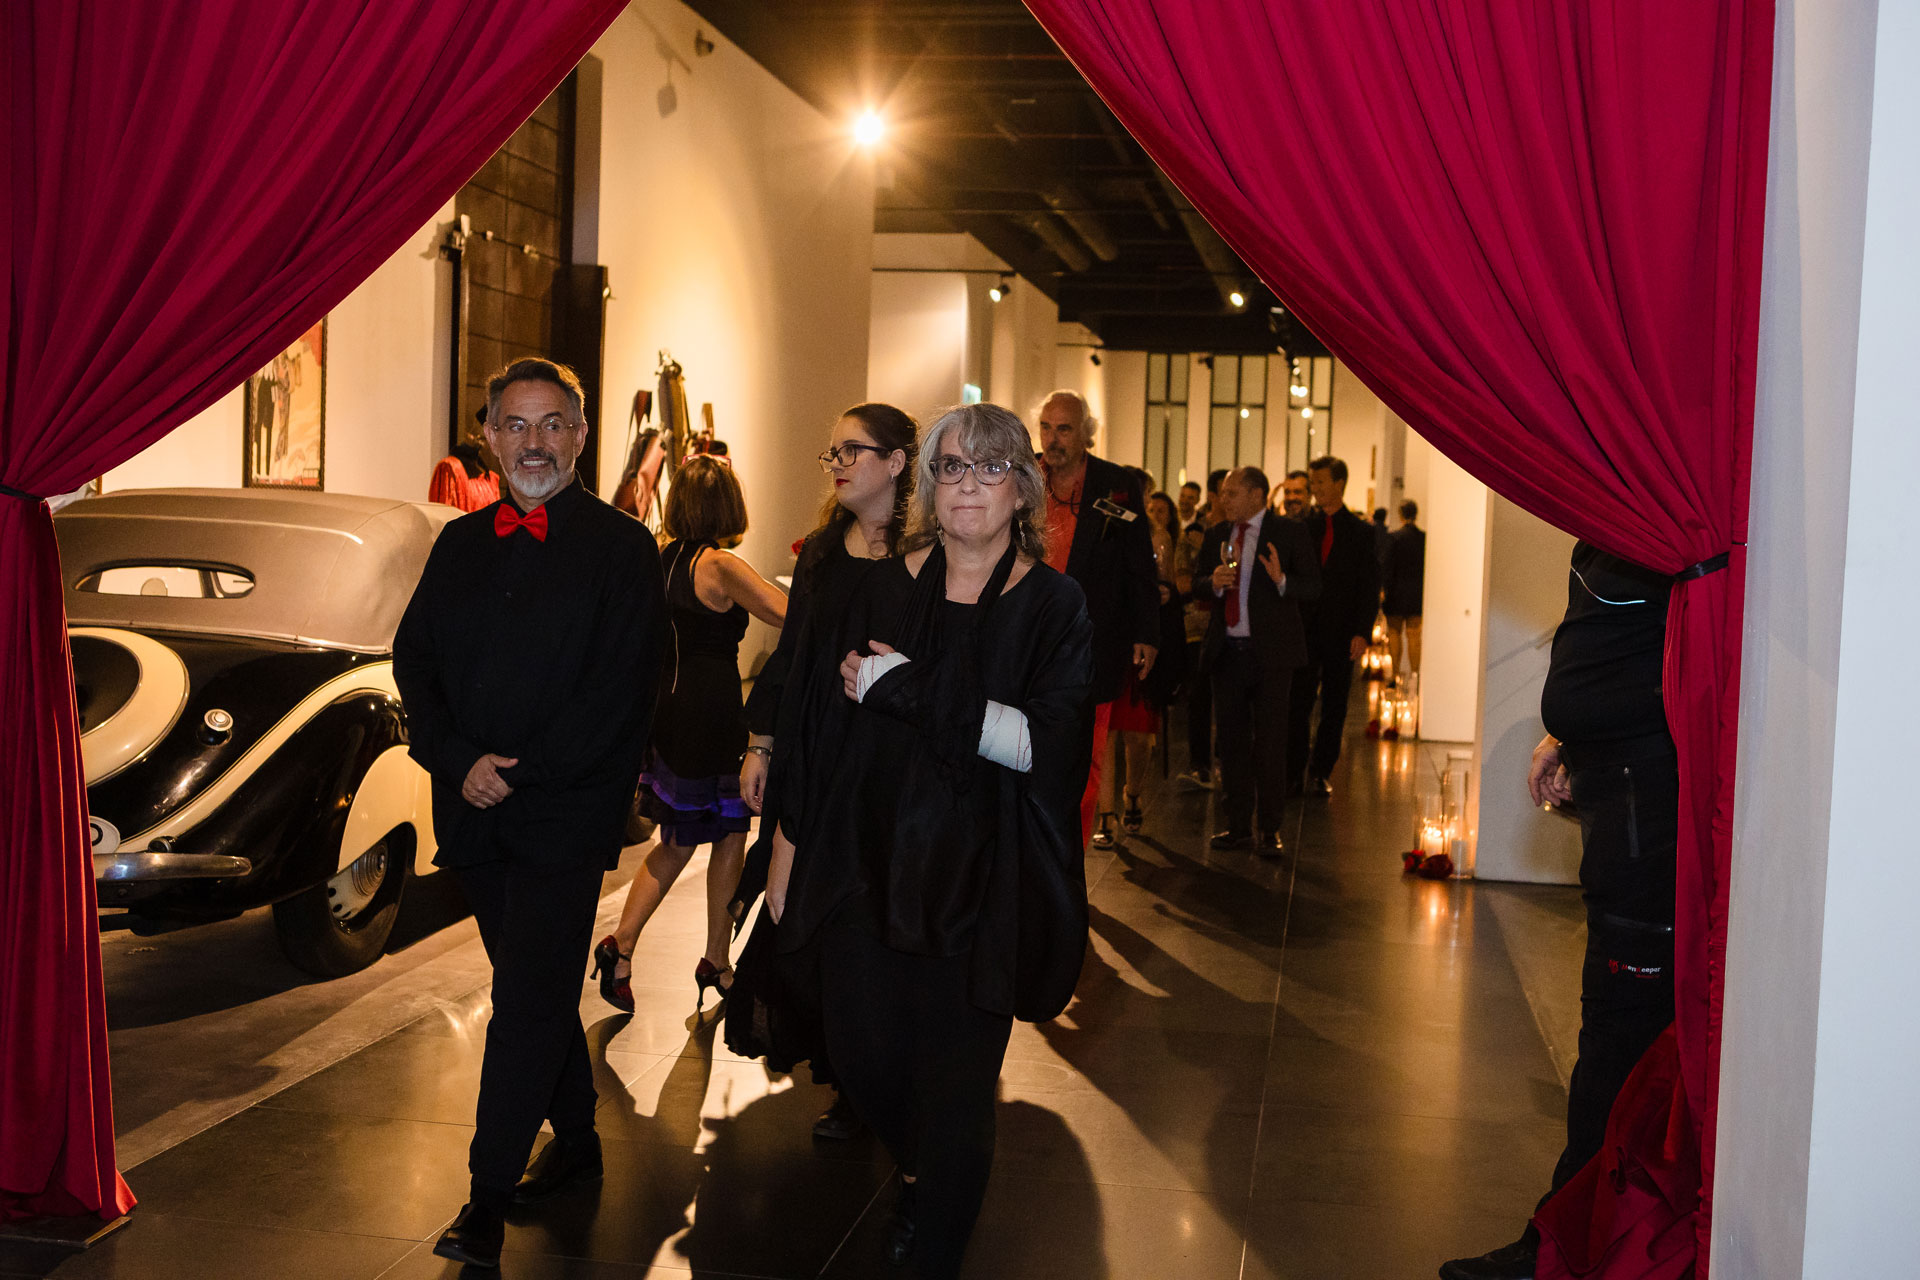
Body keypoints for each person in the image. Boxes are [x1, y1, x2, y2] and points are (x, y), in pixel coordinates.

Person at [775, 403, 1093, 1279]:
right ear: (927, 485)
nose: (969, 485)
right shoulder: (880, 588)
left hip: (984, 883)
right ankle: (918, 1171)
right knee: (861, 1055)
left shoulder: (1055, 606)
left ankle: (938, 1237)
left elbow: (1043, 748)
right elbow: (822, 732)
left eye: (991, 467)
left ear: (1022, 488)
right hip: (867, 865)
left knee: (958, 1093)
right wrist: (788, 849)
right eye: (952, 466)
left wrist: (907, 690)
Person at [393, 358, 668, 1269]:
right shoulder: (459, 545)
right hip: (473, 816)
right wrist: (457, 760)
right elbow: (414, 662)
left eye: (553, 424)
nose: (535, 443)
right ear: (489, 436)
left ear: (581, 436)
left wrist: (519, 772)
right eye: (516, 425)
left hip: (565, 816)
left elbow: (623, 691)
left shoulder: (624, 550)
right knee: (537, 988)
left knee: (522, 1002)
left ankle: (485, 1197)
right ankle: (578, 1143)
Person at [1440, 544, 1676, 1280]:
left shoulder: (1662, 530)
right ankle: (1571, 1238)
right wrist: (1565, 737)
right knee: (1608, 1029)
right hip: (1615, 797)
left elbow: (1679, 665)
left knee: (1620, 1038)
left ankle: (1570, 1251)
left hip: (1646, 811)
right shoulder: (1605, 531)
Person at [724, 401, 917, 1141]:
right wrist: (762, 743)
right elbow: (795, 655)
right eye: (831, 452)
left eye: (851, 450)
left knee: (872, 916)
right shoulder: (823, 553)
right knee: (808, 914)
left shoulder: (927, 556)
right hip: (815, 756)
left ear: (896, 463)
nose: (836, 464)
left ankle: (878, 1078)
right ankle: (844, 1076)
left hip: (889, 764)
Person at [596, 456, 787, 1015]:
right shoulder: (720, 565)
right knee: (708, 836)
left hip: (670, 710)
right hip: (711, 713)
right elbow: (787, 611)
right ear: (726, 504)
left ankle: (690, 956)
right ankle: (646, 948)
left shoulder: (661, 557)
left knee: (705, 835)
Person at [1032, 389, 1158, 847]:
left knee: (1087, 752)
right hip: (1029, 636)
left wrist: (1147, 632)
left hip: (1091, 637)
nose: (1052, 439)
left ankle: (1073, 847)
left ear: (1087, 434)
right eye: (1046, 427)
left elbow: (1138, 563)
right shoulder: (1024, 475)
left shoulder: (1115, 484)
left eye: (1064, 429)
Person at [1193, 467, 1321, 854]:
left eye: (1231, 493)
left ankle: (1269, 828)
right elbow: (1197, 583)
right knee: (1231, 744)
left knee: (1270, 743)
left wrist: (1281, 579)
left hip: (1272, 656)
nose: (1223, 499)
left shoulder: (1289, 532)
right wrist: (1212, 583)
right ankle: (1237, 826)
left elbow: (1313, 586)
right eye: (1223, 493)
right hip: (1228, 653)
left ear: (1256, 494)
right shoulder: (1217, 534)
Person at [1288, 456, 1379, 798]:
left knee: (1335, 704)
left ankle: (1321, 770)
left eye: (1321, 482)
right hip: (1304, 629)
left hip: (1341, 631)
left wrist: (1362, 632)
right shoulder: (1303, 527)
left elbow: (1368, 586)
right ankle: (1293, 770)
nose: (1315, 488)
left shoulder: (1360, 532)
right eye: (1313, 482)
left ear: (1339, 484)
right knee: (1298, 702)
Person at [1106, 490, 1183, 835]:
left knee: (1137, 735)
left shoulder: (1157, 536)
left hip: (1137, 642)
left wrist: (1160, 593)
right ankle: (1105, 814)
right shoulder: (1101, 532)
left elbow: (1166, 585)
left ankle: (1133, 792)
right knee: (1104, 733)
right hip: (1107, 641)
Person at [1176, 468, 1230, 789]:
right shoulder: (1195, 534)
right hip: (1198, 624)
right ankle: (1200, 764)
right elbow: (1184, 581)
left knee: (1228, 696)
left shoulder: (1239, 531)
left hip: (1228, 626)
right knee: (1199, 696)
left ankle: (1225, 760)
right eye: (1225, 492)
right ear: (1212, 496)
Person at [1383, 499, 1426, 674]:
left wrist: (1385, 590)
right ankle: (1415, 676)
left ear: (1400, 514)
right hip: (1416, 592)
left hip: (1396, 592)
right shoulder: (1423, 538)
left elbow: (1387, 567)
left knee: (1394, 633)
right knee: (1414, 635)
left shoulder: (1394, 538)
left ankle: (1395, 674)